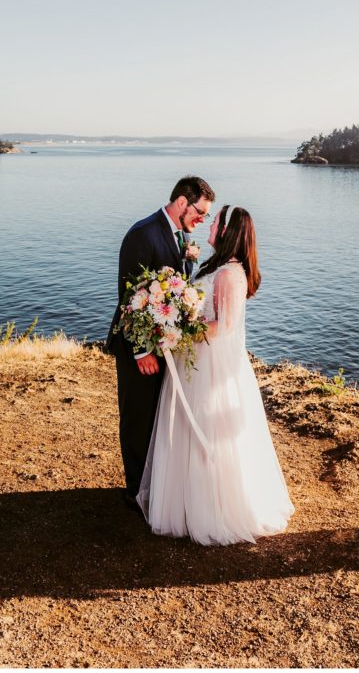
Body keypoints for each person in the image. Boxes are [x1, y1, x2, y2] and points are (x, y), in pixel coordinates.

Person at [136, 205, 294, 545]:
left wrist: (177, 330)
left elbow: (222, 326)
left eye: (216, 220)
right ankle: (186, 500)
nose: (209, 224)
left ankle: (212, 508)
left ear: (227, 232)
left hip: (212, 366)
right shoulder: (219, 267)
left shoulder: (228, 274)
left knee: (207, 430)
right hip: (199, 361)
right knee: (189, 428)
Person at [107, 175, 214, 512]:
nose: (201, 220)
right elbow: (129, 298)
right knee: (138, 419)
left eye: (206, 217)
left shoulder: (179, 235)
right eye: (200, 212)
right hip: (138, 349)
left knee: (158, 419)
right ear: (182, 202)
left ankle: (155, 486)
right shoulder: (143, 234)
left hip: (164, 346)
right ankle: (135, 492)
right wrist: (141, 350)